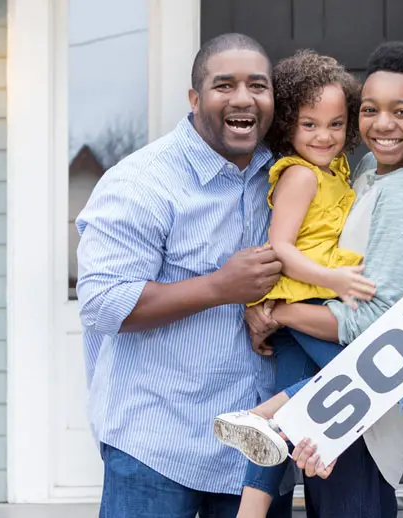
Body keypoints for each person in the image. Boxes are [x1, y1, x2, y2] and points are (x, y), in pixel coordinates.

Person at [221, 41, 403, 518]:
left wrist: (276, 313)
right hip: (326, 370)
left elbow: (375, 323)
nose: (382, 124)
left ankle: (264, 422)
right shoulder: (362, 171)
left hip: (365, 403)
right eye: (370, 110)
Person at [74, 33, 294, 518]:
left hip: (254, 450)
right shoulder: (142, 182)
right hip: (156, 444)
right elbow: (103, 304)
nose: (242, 98)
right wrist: (221, 288)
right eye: (224, 85)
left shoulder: (285, 176)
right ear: (195, 99)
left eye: (258, 85)